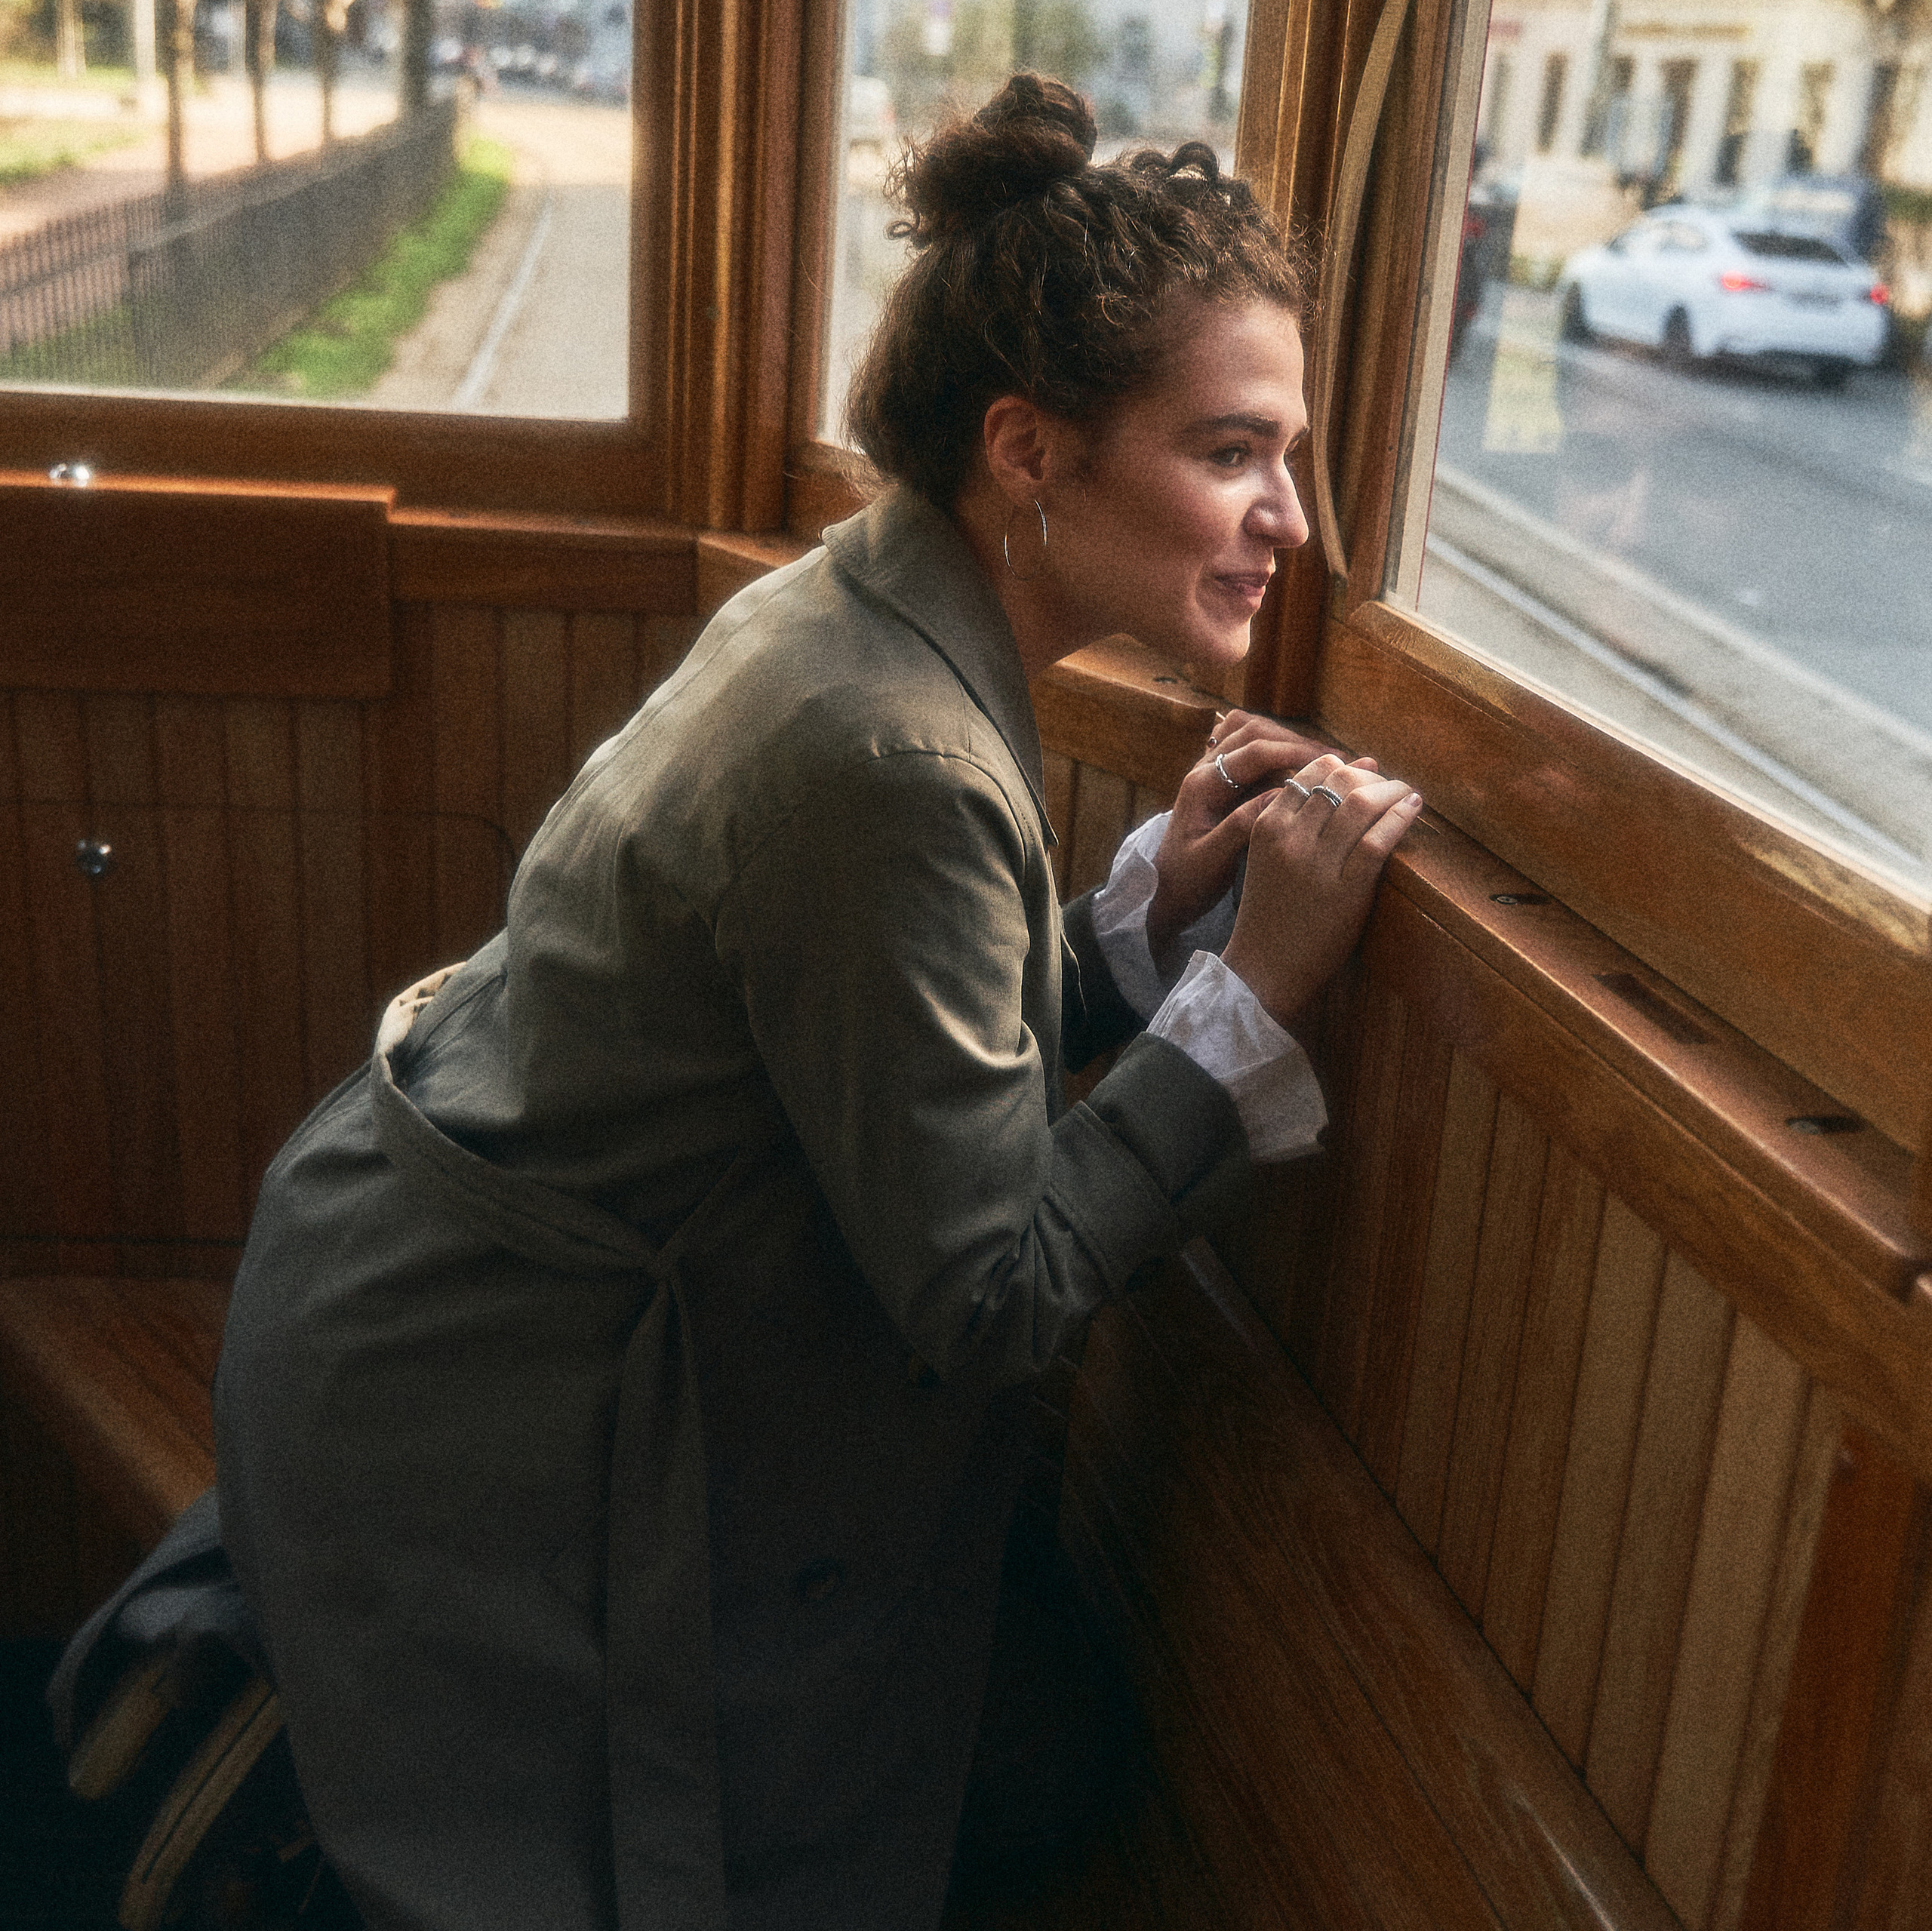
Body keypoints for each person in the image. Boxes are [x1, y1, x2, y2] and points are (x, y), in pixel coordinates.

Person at [212, 72, 1423, 1931]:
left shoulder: (860, 606)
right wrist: (1249, 986)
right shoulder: (886, 740)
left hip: (433, 1287)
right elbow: (989, 1290)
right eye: (1232, 451)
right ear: (1028, 450)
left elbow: (850, 1039)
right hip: (482, 1405)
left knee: (1012, 1739)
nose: (1287, 521)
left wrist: (1133, 929)